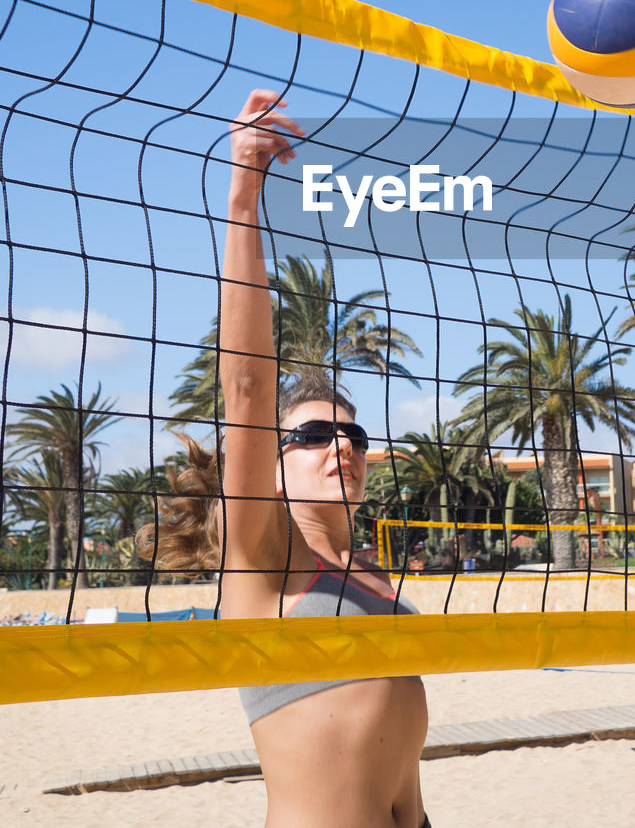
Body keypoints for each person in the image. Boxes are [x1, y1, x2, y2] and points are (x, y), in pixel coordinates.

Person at [138, 90, 430, 828]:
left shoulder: (368, 566)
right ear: (267, 467)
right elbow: (246, 385)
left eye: (354, 437)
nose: (342, 447)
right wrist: (244, 198)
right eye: (312, 436)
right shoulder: (265, 559)